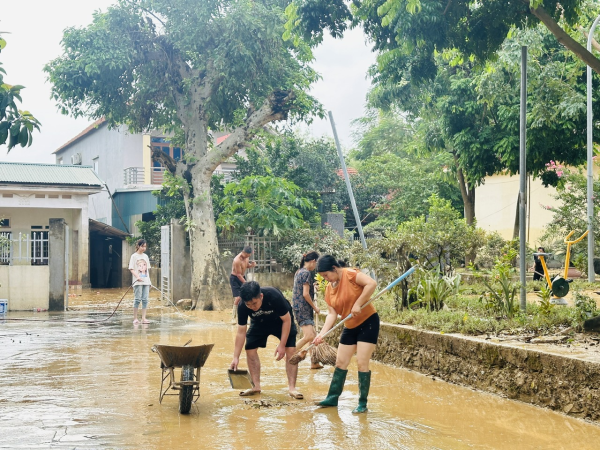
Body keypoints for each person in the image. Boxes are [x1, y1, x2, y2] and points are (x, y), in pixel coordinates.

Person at [312, 255, 378, 414]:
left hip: (368, 322)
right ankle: (332, 398)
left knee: (362, 363)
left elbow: (372, 283)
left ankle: (362, 404)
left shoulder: (350, 274)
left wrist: (358, 304)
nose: (326, 279)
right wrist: (322, 334)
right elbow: (332, 314)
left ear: (334, 269)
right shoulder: (329, 288)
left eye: (327, 275)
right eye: (323, 277)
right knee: (341, 362)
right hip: (350, 325)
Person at [230, 280, 303, 399]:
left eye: (254, 303)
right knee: (250, 349)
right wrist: (236, 357)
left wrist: (282, 345)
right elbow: (241, 332)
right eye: (249, 304)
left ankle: (292, 388)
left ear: (261, 296)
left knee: (291, 351)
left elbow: (287, 320)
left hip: (281, 322)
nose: (252, 307)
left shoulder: (273, 295)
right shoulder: (242, 306)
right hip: (259, 323)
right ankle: (256, 386)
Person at [292, 251, 323, 369]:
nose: (316, 267)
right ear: (313, 261)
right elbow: (305, 294)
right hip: (303, 308)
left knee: (313, 335)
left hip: (300, 308)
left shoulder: (299, 271)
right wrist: (315, 307)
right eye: (316, 264)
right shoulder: (306, 273)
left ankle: (314, 362)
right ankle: (289, 353)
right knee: (309, 336)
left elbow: (303, 289)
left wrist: (312, 286)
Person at [230, 246, 257, 323]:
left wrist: (252, 265)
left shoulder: (246, 258)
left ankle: (243, 317)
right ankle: (233, 318)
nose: (249, 256)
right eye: (248, 255)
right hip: (235, 278)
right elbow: (238, 274)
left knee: (245, 297)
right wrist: (246, 283)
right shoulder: (237, 260)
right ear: (245, 253)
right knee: (238, 298)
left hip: (242, 277)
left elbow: (246, 266)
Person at [128, 239, 151, 324]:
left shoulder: (145, 256)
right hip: (137, 281)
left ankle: (144, 318)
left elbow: (147, 270)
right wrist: (137, 276)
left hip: (146, 281)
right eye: (142, 246)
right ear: (138, 246)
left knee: (145, 299)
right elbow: (131, 268)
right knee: (137, 299)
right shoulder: (134, 256)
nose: (144, 248)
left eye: (145, 246)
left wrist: (150, 282)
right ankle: (135, 318)